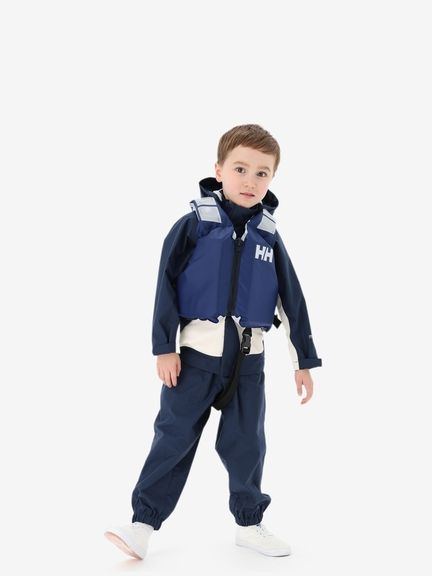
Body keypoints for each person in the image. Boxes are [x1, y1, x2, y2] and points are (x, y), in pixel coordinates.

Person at [104, 124, 322, 560]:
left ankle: (250, 523)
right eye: (240, 169)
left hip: (248, 365)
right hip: (194, 361)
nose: (250, 180)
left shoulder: (269, 236)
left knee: (247, 444)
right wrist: (165, 348)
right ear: (218, 170)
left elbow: (291, 299)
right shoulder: (193, 226)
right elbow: (165, 287)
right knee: (173, 438)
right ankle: (142, 524)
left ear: (272, 179)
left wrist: (304, 360)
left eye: (262, 173)